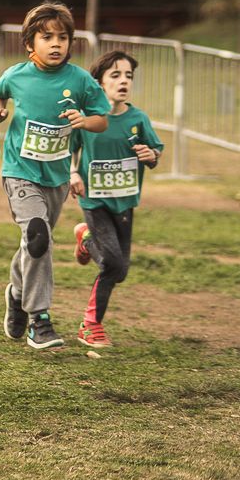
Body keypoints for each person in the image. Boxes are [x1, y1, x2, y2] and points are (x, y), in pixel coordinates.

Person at [0, 1, 109, 350]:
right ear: (30, 43)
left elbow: (101, 119)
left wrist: (85, 121)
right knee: (39, 238)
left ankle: (16, 293)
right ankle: (39, 319)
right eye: (46, 37)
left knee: (33, 243)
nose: (56, 44)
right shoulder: (17, 75)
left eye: (63, 37)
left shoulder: (80, 80)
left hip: (55, 177)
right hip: (19, 171)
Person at [68, 50, 163, 348]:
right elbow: (71, 148)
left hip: (124, 202)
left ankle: (85, 240)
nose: (124, 81)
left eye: (129, 76)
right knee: (111, 263)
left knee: (119, 271)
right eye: (115, 75)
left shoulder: (138, 119)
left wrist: (152, 155)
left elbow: (154, 151)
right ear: (99, 83)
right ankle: (91, 325)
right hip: (94, 201)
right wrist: (73, 173)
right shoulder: (89, 118)